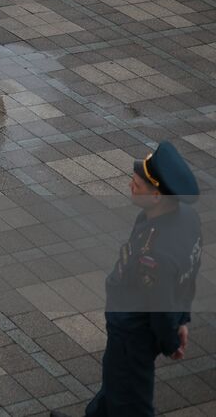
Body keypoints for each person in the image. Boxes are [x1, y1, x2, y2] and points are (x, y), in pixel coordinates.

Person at [49, 141, 201, 417]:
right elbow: (188, 276)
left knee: (130, 403)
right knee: (115, 388)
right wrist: (183, 320)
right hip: (129, 330)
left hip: (132, 336)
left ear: (157, 196)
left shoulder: (156, 254)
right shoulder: (185, 219)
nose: (131, 186)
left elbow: (162, 304)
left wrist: (171, 340)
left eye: (137, 184)